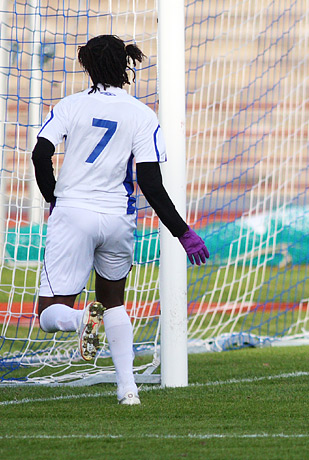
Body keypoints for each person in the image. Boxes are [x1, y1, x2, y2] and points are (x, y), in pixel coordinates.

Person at [31, 35, 210, 405]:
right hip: (118, 218)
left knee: (49, 314)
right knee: (114, 302)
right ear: (125, 66)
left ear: (87, 65)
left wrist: (54, 198)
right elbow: (150, 182)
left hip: (74, 213)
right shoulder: (142, 114)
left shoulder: (70, 106)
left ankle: (82, 321)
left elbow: (39, 155)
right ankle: (128, 390)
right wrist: (183, 232)